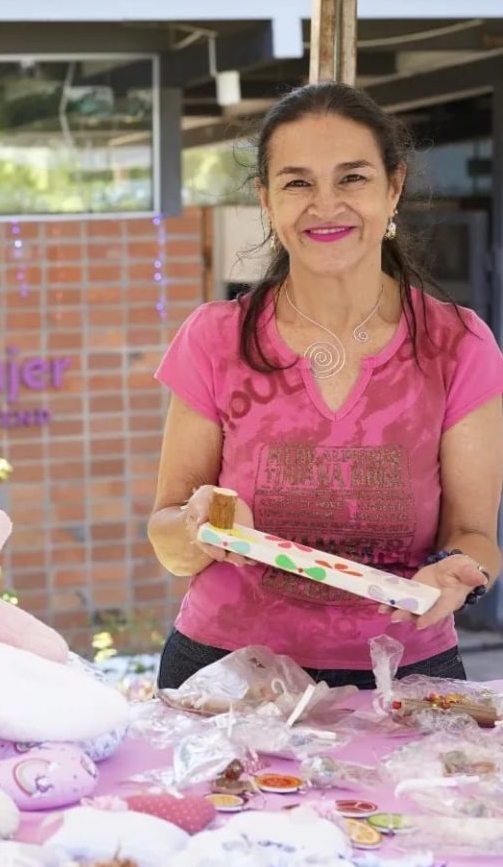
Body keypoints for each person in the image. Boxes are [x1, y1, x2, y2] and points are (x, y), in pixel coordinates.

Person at [148, 81, 503, 691]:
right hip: (228, 674)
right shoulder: (214, 338)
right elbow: (169, 539)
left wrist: (460, 570)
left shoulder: (459, 344)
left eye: (352, 178)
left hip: (404, 677)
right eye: (298, 183)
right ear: (266, 199)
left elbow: (475, 535)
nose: (326, 204)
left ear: (393, 187)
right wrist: (195, 526)